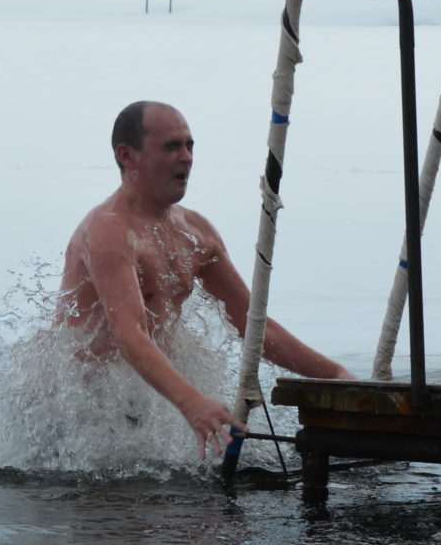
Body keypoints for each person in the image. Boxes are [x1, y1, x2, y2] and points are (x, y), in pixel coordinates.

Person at [61, 101, 350, 457]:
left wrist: (336, 376)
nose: (186, 157)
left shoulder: (195, 232)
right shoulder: (108, 230)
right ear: (128, 156)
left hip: (142, 402)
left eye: (189, 145)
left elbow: (255, 327)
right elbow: (129, 333)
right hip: (77, 415)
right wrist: (192, 403)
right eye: (171, 146)